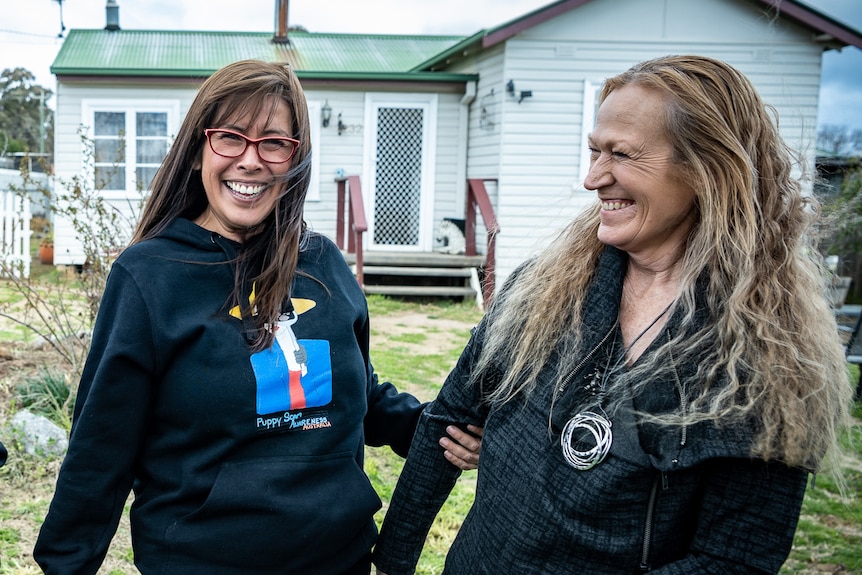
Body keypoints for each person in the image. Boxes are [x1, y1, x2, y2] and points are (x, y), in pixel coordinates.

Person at [373, 54, 853, 574]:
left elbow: (734, 558)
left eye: (621, 154)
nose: (593, 178)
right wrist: (395, 558)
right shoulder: (542, 289)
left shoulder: (767, 353)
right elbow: (447, 420)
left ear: (707, 169)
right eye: (594, 151)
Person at [33, 59, 481, 575]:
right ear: (199, 148)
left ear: (295, 158)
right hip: (203, 562)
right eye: (230, 138)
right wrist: (66, 563)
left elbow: (354, 391)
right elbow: (102, 444)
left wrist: (428, 427)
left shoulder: (323, 263)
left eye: (273, 143)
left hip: (339, 559)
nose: (251, 161)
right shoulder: (149, 276)